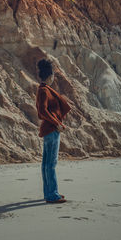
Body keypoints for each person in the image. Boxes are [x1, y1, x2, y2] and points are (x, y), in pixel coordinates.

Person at [36, 58, 72, 203]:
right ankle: (52, 194)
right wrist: (57, 123)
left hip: (48, 129)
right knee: (51, 163)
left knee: (46, 163)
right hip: (51, 130)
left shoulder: (42, 90)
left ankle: (48, 192)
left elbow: (42, 111)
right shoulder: (45, 90)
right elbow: (42, 111)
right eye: (53, 76)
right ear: (50, 76)